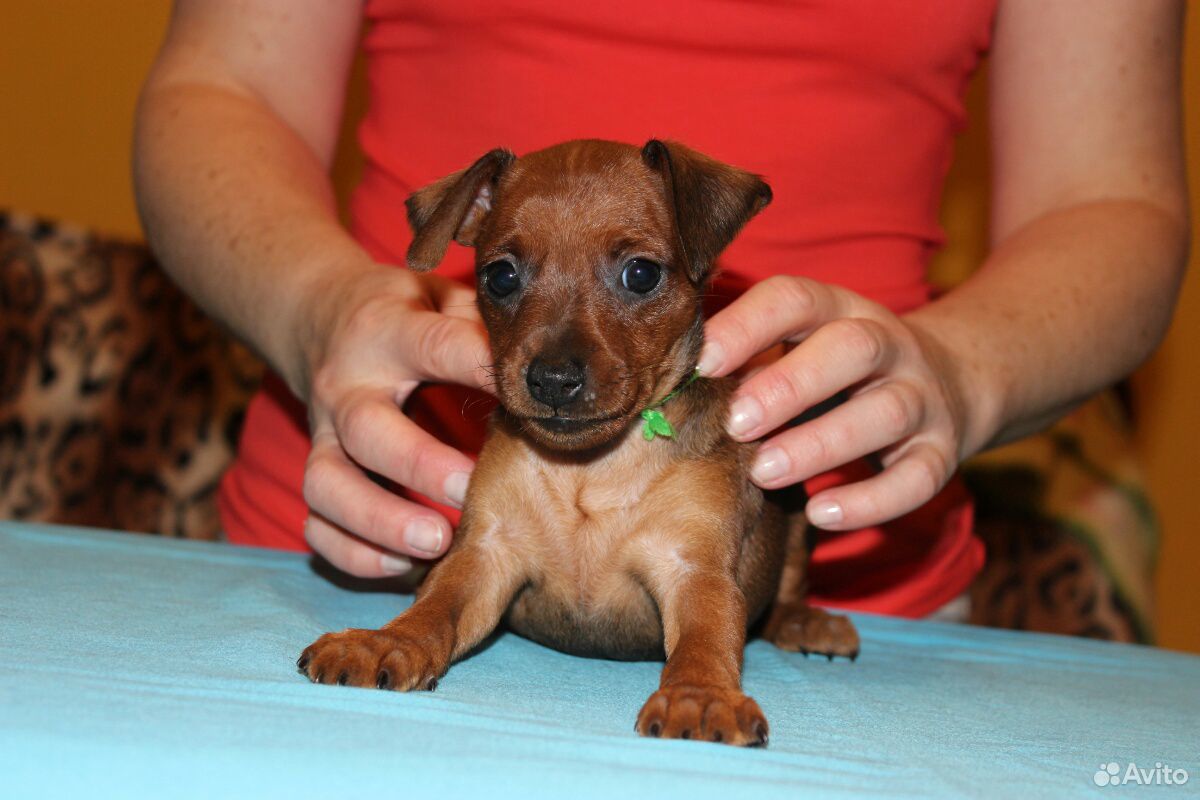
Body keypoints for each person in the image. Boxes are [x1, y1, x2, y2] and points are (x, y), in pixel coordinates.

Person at [133, 0, 1188, 619]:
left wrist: (966, 366)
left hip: (838, 581)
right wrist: (319, 305)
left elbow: (1108, 200)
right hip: (377, 541)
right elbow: (227, 89)